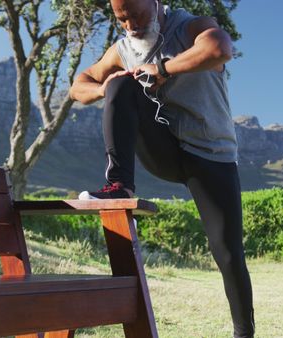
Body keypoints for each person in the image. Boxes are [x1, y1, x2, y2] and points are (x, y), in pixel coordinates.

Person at [69, 0, 254, 336]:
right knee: (120, 85)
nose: (131, 26)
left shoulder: (190, 26)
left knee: (227, 252)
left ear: (155, 3)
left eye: (137, 15)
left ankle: (245, 332)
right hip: (164, 150)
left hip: (211, 153)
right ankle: (119, 184)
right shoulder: (122, 49)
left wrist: (164, 69)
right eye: (122, 19)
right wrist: (105, 89)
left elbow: (220, 48)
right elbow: (77, 86)